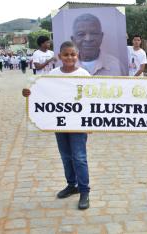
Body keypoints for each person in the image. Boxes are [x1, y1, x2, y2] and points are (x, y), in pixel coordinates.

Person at [22, 41, 91, 210]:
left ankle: (84, 191)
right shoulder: (52, 74)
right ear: (59, 56)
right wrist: (29, 93)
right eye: (66, 55)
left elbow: (92, 99)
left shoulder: (84, 74)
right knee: (66, 156)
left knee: (79, 157)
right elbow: (43, 94)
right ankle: (71, 185)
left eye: (73, 54)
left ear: (78, 56)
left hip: (78, 124)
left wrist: (89, 122)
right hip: (59, 123)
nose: (69, 57)